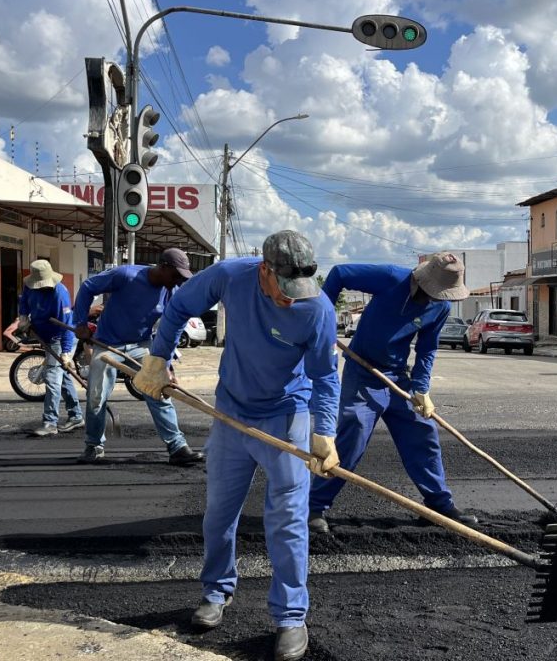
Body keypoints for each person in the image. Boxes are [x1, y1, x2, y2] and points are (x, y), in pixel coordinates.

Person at [133, 230, 340, 661]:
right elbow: (177, 311)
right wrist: (157, 360)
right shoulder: (229, 276)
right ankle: (216, 591)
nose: (291, 300)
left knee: (286, 521)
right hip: (231, 414)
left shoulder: (316, 309)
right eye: (284, 290)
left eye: (298, 292)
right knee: (219, 514)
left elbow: (324, 378)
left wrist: (325, 433)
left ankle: (290, 616)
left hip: (286, 417)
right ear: (264, 271)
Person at [308, 252, 476, 534]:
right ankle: (314, 506)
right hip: (363, 372)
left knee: (423, 433)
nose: (439, 298)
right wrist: (322, 319)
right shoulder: (390, 278)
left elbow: (427, 348)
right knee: (354, 430)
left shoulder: (441, 307)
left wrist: (422, 388)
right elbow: (339, 273)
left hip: (398, 377)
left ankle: (438, 505)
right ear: (425, 281)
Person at [72, 248, 202, 466]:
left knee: (159, 390)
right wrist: (81, 323)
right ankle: (94, 445)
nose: (178, 280)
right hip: (107, 343)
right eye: (176, 275)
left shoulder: (171, 292)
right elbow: (88, 287)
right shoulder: (126, 275)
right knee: (96, 394)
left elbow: (172, 330)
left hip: (141, 345)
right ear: (163, 267)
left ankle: (177, 446)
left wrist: (166, 366)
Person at [17, 260, 84, 436]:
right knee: (64, 378)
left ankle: (50, 422)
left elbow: (67, 327)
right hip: (44, 335)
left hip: (60, 337)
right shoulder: (29, 286)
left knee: (53, 379)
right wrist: (23, 316)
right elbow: (24, 301)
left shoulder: (59, 294)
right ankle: (76, 416)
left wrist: (66, 353)